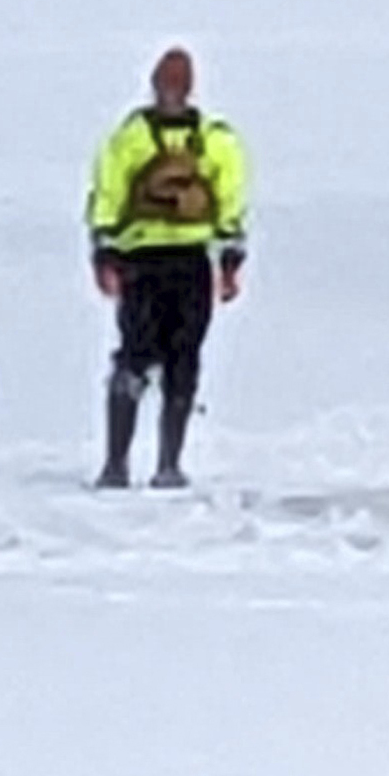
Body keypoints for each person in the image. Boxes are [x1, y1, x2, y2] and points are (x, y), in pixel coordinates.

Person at [86, 47, 249, 489]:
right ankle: (159, 464)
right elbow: (230, 201)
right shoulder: (213, 138)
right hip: (182, 261)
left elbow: (107, 195)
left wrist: (103, 251)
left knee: (141, 356)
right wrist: (231, 260)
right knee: (175, 358)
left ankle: (124, 464)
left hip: (146, 259)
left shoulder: (132, 136)